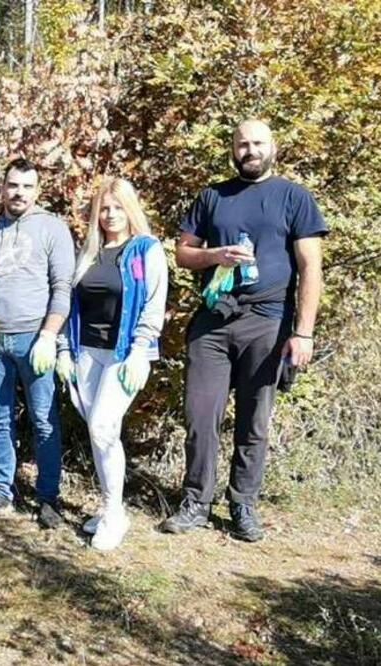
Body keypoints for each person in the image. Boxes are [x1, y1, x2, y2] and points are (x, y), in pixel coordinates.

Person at [160, 120, 327, 542]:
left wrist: (303, 333)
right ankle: (196, 502)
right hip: (213, 322)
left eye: (257, 143)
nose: (249, 150)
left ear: (273, 147)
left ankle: (242, 505)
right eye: (242, 144)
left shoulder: (294, 197)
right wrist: (216, 255)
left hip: (267, 323)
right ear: (232, 150)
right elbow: (182, 253)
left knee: (254, 421)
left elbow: (311, 268)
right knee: (200, 416)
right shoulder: (213, 196)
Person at [53, 177, 168, 550]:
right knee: (99, 433)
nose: (110, 214)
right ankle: (110, 507)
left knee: (103, 427)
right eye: (104, 208)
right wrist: (63, 351)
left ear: (130, 209)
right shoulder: (88, 253)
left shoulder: (145, 251)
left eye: (118, 207)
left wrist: (139, 351)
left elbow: (152, 305)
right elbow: (69, 307)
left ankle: (114, 514)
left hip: (123, 355)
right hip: (86, 353)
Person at [0, 159, 75, 529]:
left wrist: (48, 336)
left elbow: (62, 288)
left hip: (34, 339)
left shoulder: (52, 229)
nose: (19, 192)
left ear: (37, 190)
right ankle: (1, 490)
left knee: (43, 419)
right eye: (13, 185)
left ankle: (47, 498)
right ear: (3, 187)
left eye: (27, 186)